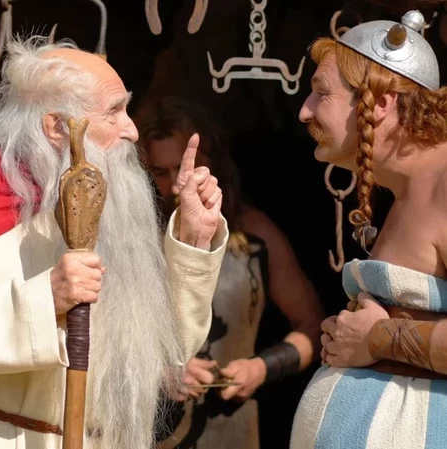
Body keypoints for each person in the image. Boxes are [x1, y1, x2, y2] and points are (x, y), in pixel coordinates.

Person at [0, 36, 230, 449]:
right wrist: (45, 299)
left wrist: (193, 237)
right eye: (114, 112)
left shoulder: (119, 216)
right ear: (57, 127)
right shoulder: (4, 208)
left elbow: (168, 351)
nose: (132, 129)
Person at [290, 9, 447, 449]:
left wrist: (379, 339)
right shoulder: (407, 192)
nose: (304, 112)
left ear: (380, 102)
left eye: (321, 93)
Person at [134, 95, 324, 449]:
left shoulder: (256, 234)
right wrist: (155, 371)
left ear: (212, 162)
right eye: (160, 172)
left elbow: (313, 326)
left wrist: (261, 367)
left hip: (233, 430)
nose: (176, 185)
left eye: (186, 169)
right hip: (152, 429)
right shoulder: (134, 240)